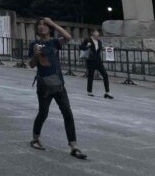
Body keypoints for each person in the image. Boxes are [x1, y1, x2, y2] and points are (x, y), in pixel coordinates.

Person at [28, 17, 87, 160]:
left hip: (59, 84)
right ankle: (35, 139)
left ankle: (74, 146)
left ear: (49, 28)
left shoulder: (54, 42)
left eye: (45, 25)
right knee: (43, 113)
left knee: (68, 113)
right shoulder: (34, 44)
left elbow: (68, 37)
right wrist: (36, 55)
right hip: (44, 85)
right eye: (39, 25)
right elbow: (31, 64)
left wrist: (53, 23)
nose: (42, 26)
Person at [80, 29, 113, 99]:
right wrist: (87, 46)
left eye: (98, 33)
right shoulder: (88, 40)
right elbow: (81, 47)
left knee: (105, 74)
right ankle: (89, 91)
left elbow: (99, 49)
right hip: (91, 60)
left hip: (98, 61)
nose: (98, 35)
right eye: (96, 33)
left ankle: (107, 92)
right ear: (92, 34)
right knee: (91, 76)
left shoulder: (99, 41)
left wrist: (105, 49)